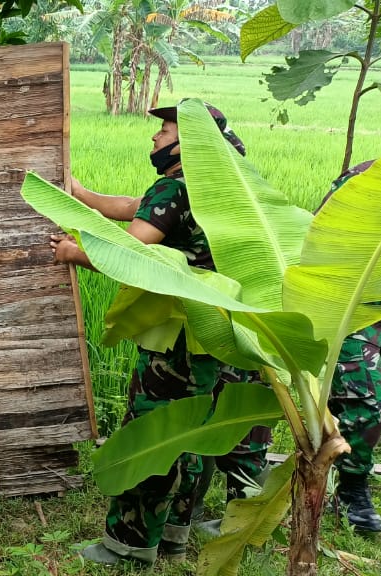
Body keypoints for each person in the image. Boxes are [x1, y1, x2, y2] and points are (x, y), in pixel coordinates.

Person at [50, 100, 265, 565]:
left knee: (154, 434)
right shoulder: (223, 181)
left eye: (164, 130)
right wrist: (83, 195)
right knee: (194, 435)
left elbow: (133, 248)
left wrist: (76, 252)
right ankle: (174, 532)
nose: (155, 138)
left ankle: (130, 545)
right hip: (223, 333)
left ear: (186, 142)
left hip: (181, 338)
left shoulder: (177, 187)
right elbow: (137, 209)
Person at [319, 159, 381, 538]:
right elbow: (321, 228)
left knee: (375, 402)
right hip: (355, 307)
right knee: (367, 404)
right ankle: (352, 493)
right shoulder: (369, 175)